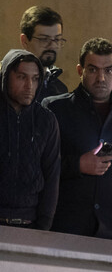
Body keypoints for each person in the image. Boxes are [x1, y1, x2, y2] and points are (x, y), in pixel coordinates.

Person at [42, 38, 112, 241]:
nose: (101, 77)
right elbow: (37, 164)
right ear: (79, 70)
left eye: (109, 70)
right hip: (64, 227)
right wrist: (77, 164)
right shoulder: (55, 110)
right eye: (93, 70)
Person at [0, 49, 60, 230]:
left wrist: (44, 227)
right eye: (21, 77)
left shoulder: (46, 120)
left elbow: (52, 177)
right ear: (5, 77)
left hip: (30, 224)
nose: (29, 86)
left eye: (35, 79)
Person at [19, 6, 68, 100]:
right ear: (25, 41)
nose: (52, 45)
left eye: (57, 39)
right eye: (44, 39)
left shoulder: (60, 89)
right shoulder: (9, 85)